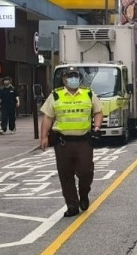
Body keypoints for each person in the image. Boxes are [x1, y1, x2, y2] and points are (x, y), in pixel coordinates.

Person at [39, 67, 103, 217]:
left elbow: (98, 111)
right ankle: (72, 204)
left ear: (79, 79)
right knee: (65, 174)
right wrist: (43, 137)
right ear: (64, 79)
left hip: (83, 141)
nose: (72, 79)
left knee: (86, 171)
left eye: (75, 76)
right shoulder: (55, 96)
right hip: (63, 142)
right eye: (69, 76)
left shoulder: (88, 94)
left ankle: (84, 194)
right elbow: (48, 117)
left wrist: (97, 127)